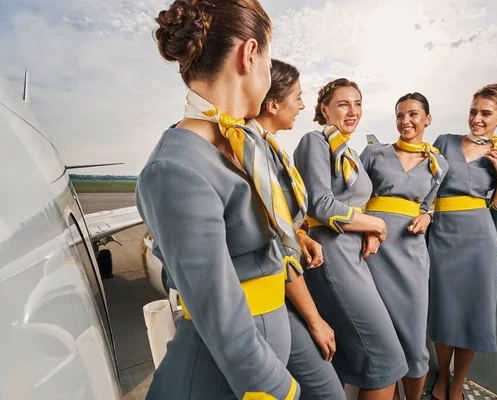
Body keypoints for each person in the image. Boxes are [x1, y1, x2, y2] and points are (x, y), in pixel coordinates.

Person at [136, 1, 300, 398]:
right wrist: (277, 389)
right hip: (221, 380)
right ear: (249, 55)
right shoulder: (175, 167)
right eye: (267, 56)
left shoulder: (240, 145)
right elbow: (221, 315)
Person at [294, 78, 406, 399]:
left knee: (341, 356)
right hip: (331, 257)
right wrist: (375, 224)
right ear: (324, 108)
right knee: (385, 358)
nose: (352, 111)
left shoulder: (351, 153)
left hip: (352, 256)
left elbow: (355, 203)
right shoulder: (314, 141)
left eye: (357, 104)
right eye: (343, 104)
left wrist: (368, 227)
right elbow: (321, 204)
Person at [246, 59, 346, 400]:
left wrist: (300, 235)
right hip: (270, 297)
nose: (302, 105)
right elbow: (275, 242)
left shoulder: (268, 148)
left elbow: (277, 225)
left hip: (281, 292)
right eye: (298, 97)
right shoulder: (253, 153)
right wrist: (315, 319)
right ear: (273, 104)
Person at [428, 83, 497, 400]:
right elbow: (427, 187)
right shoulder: (445, 142)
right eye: (473, 111)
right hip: (441, 236)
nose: (477, 119)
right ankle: (443, 374)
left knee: (472, 315)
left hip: (480, 240)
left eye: (486, 113)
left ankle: (457, 382)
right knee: (444, 311)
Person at [359, 93, 448, 400]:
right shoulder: (373, 154)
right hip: (371, 250)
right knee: (377, 334)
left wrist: (427, 216)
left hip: (411, 253)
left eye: (413, 114)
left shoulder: (439, 163)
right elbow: (354, 196)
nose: (405, 121)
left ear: (427, 119)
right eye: (399, 115)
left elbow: (428, 205)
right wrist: (365, 228)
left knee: (412, 338)